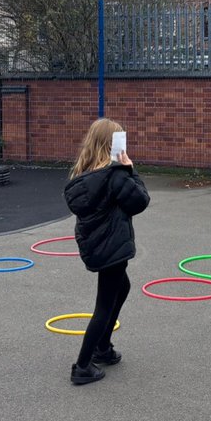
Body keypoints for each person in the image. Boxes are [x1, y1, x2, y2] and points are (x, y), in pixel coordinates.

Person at [65, 118, 150, 385]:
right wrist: (130, 169)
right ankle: (82, 365)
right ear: (111, 146)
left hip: (98, 245)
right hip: (111, 247)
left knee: (121, 288)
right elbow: (140, 201)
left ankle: (103, 346)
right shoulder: (114, 176)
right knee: (103, 305)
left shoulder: (87, 174)